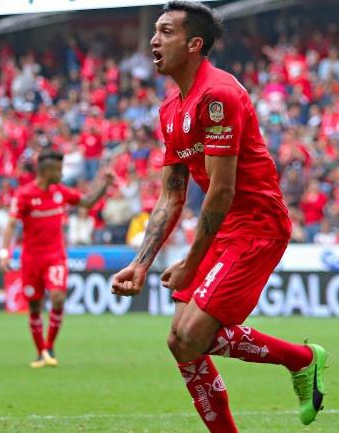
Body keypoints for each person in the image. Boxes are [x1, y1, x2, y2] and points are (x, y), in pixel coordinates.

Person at [110, 2, 327, 431]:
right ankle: (301, 361)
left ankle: (303, 360)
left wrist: (191, 261)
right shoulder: (171, 109)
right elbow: (172, 196)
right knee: (180, 342)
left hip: (258, 225)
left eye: (165, 31)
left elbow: (223, 190)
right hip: (226, 226)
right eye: (154, 30)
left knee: (193, 335)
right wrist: (141, 262)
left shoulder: (218, 95)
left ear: (194, 44)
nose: (153, 40)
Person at [0, 148, 114, 368]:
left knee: (58, 298)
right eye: (59, 170)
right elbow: (11, 224)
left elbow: (88, 202)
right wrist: (5, 253)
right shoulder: (24, 194)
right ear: (48, 170)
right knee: (34, 307)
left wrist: (104, 184)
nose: (62, 173)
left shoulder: (60, 191)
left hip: (55, 257)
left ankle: (49, 346)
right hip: (31, 260)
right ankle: (40, 351)